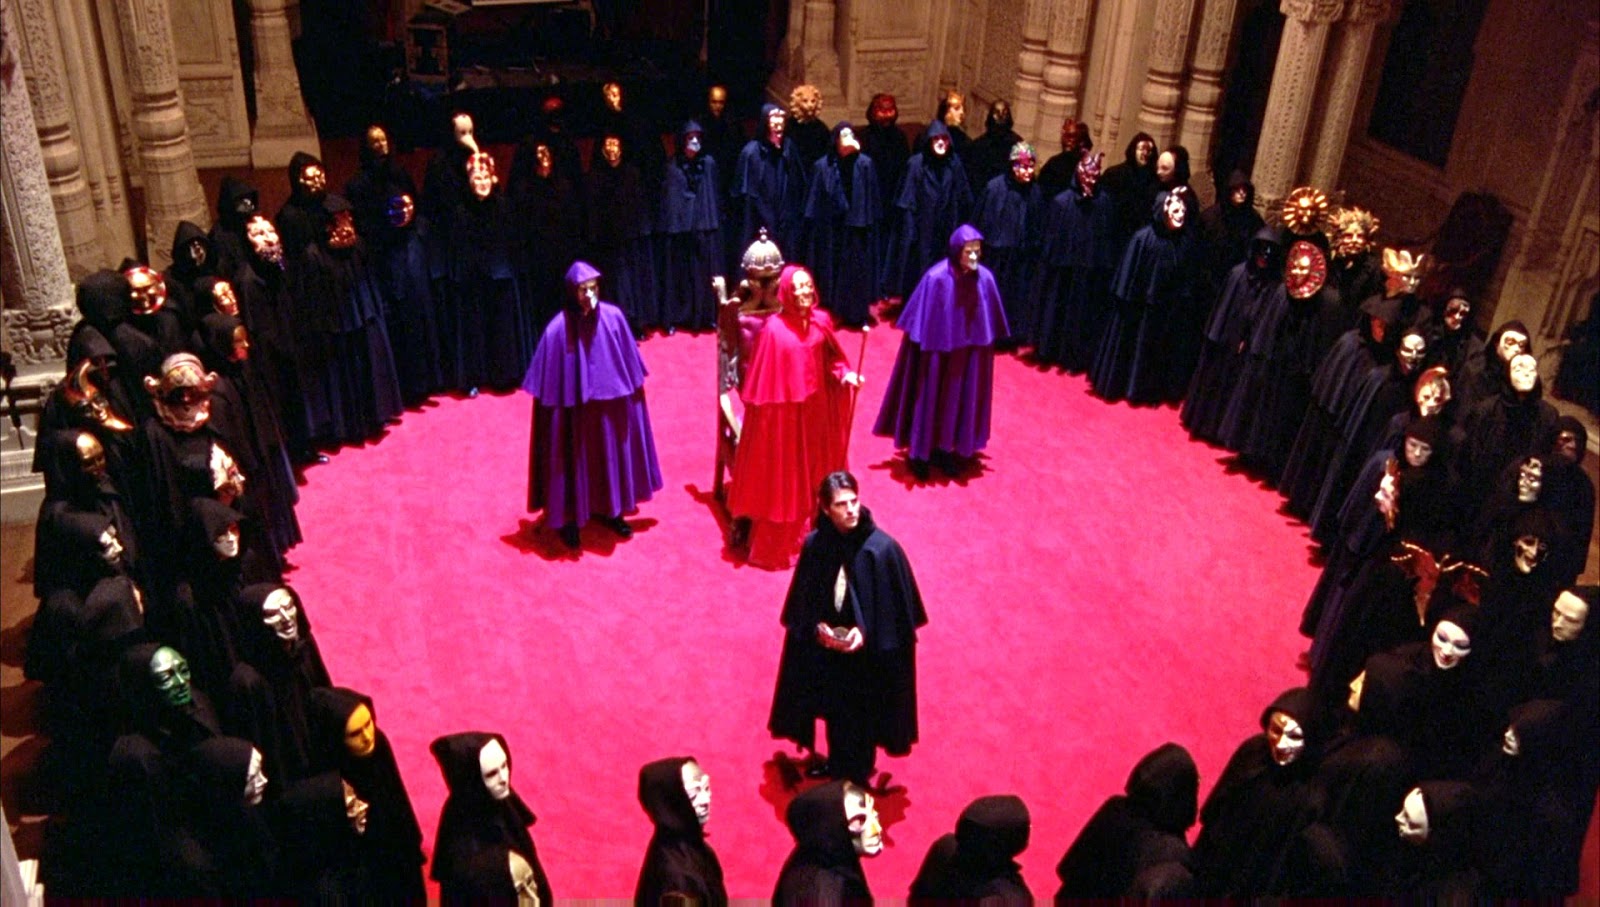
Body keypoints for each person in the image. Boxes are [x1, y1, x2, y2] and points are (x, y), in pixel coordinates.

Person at [769, 472, 926, 785]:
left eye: (854, 501)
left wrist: (864, 633)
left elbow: (893, 617)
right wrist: (817, 626)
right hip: (828, 651)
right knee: (831, 707)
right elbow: (805, 600)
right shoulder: (816, 545)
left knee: (861, 715)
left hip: (867, 659)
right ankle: (837, 764)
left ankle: (857, 773)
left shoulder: (881, 550)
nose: (852, 509)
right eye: (842, 504)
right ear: (826, 509)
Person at [726, 266, 860, 570]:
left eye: (807, 285)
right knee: (788, 475)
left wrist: (845, 374)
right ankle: (791, 540)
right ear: (786, 292)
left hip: (818, 412)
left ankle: (822, 522)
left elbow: (832, 360)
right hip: (786, 419)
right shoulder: (773, 331)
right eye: (797, 287)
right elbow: (765, 387)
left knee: (819, 466)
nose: (804, 292)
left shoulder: (822, 321)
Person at [523, 261, 663, 550]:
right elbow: (548, 399)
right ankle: (569, 518)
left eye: (593, 288)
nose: (589, 295)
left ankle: (612, 510)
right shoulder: (557, 331)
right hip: (575, 417)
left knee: (610, 457)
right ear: (571, 293)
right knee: (571, 460)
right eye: (582, 290)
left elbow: (631, 373)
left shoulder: (614, 319)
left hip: (609, 412)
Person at [875, 224, 1007, 478]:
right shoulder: (935, 278)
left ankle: (948, 449)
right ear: (956, 251)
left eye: (977, 251)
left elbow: (988, 323)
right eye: (968, 251)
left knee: (959, 399)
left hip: (967, 357)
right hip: (935, 354)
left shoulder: (985, 279)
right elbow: (920, 323)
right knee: (929, 397)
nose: (973, 256)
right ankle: (920, 454)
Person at [634, 756, 727, 906]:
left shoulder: (689, 847)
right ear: (670, 800)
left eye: (706, 788)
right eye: (694, 793)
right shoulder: (679, 879)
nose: (705, 799)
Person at [773, 779, 882, 903]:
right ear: (831, 827)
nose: (877, 829)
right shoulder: (825, 890)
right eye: (859, 820)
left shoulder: (827, 854)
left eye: (875, 815)